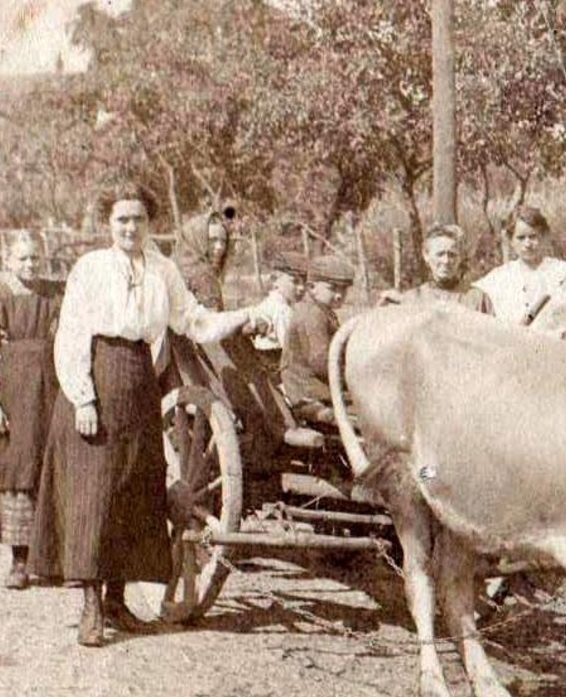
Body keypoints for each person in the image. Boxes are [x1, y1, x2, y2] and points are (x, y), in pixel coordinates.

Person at [31, 180, 265, 647]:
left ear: (149, 222)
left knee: (135, 488)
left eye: (138, 219)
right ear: (108, 223)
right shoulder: (91, 268)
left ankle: (118, 602)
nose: (130, 228)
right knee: (93, 493)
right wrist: (83, 399)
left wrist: (245, 314)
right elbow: (73, 334)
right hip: (97, 375)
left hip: (139, 378)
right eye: (121, 219)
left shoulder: (162, 270)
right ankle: (91, 607)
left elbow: (194, 321)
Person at [0, 231, 62, 590]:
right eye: (22, 259)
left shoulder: (54, 296)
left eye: (35, 259)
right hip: (14, 393)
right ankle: (19, 561)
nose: (29, 265)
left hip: (51, 390)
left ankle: (54, 560)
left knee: (50, 467)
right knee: (16, 469)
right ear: (8, 262)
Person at [474, 205, 566, 340]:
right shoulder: (500, 276)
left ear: (543, 236)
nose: (528, 244)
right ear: (511, 241)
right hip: (514, 355)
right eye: (521, 238)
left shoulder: (562, 272)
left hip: (555, 356)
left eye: (533, 237)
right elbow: (469, 299)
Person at [278, 252, 353, 423]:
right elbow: (320, 361)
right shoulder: (312, 314)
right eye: (333, 288)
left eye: (344, 289)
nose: (339, 295)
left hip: (316, 385)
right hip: (308, 391)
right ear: (311, 287)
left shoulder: (322, 310)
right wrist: (350, 377)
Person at [380, 224, 493, 314]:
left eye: (452, 255)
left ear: (460, 258)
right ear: (426, 256)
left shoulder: (478, 299)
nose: (446, 261)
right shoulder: (414, 298)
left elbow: (494, 339)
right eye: (440, 254)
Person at [173, 205, 236, 309]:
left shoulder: (173, 266)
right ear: (197, 239)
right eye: (212, 240)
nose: (220, 247)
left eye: (223, 241)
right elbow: (214, 322)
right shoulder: (204, 276)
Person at [251, 259, 305, 373]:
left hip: (268, 358)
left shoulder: (272, 302)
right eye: (295, 281)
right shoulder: (281, 309)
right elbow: (288, 345)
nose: (301, 288)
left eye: (304, 281)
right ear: (275, 281)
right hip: (276, 362)